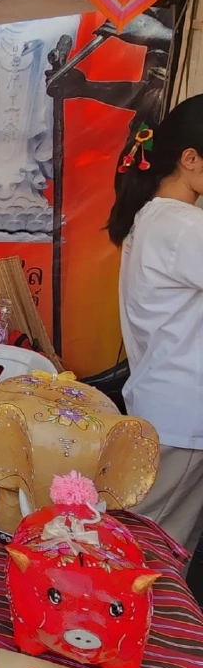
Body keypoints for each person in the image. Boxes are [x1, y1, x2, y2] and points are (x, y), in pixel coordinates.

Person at [111, 94, 203, 552]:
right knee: (150, 556)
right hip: (183, 415)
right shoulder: (185, 227)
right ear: (190, 159)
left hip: (162, 406)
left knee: (145, 547)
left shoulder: (151, 218)